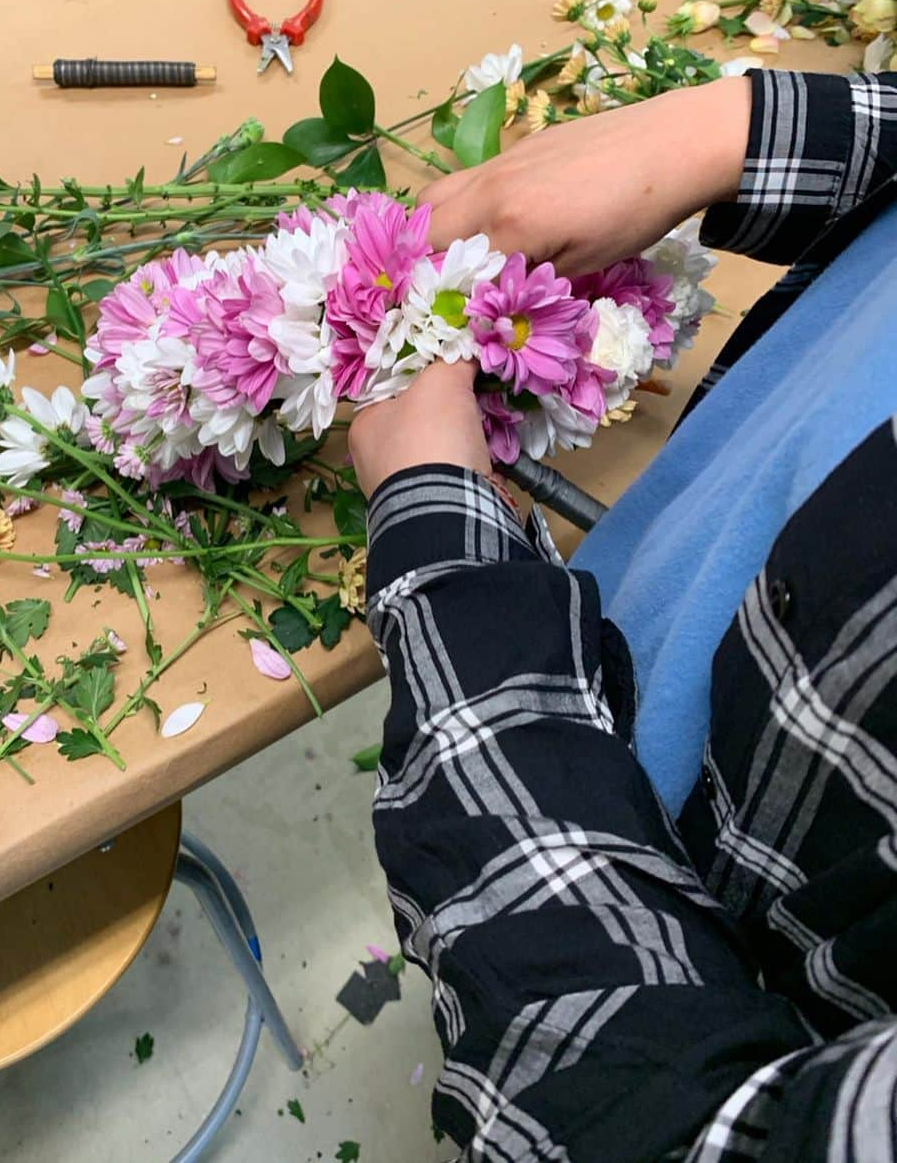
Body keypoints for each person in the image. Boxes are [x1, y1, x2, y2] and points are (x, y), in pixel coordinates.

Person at [349, 68, 897, 1161]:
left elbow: (657, 1122)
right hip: (700, 579)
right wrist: (741, 131)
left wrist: (443, 562)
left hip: (700, 889)